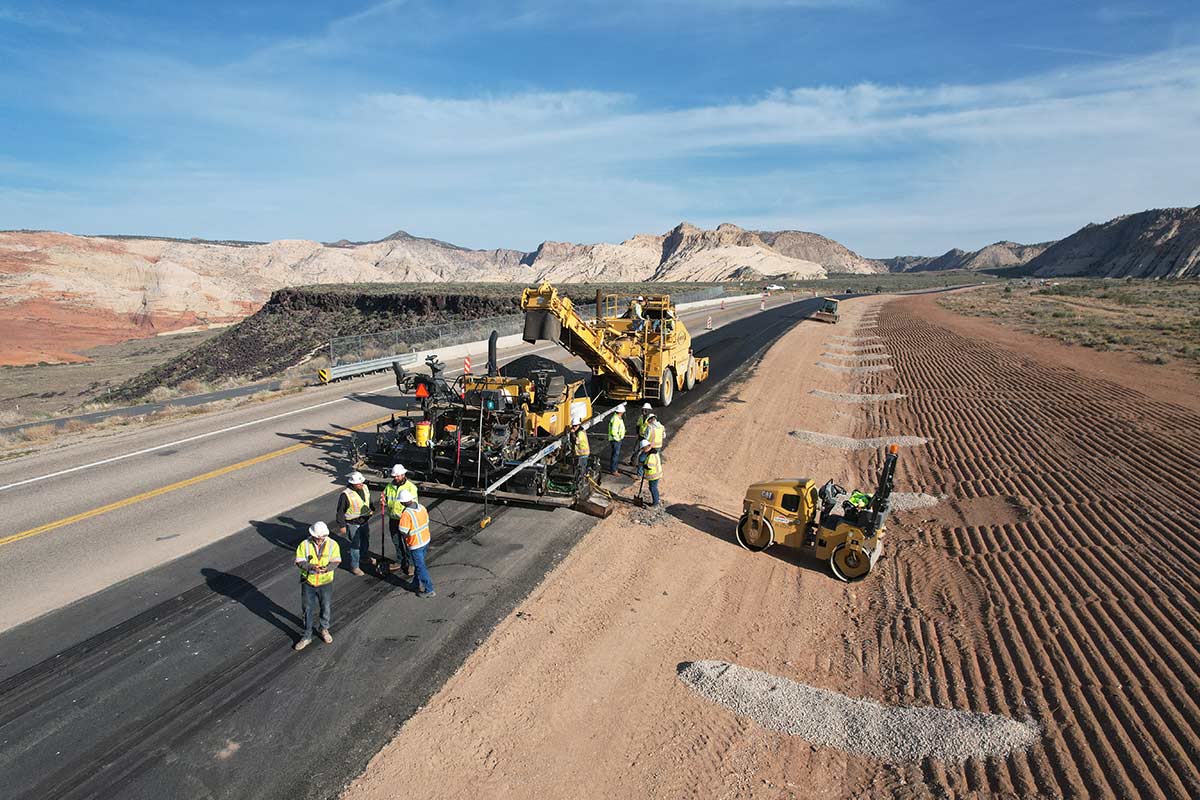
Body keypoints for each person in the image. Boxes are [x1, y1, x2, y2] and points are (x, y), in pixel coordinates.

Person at [294, 521, 341, 651]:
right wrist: (311, 567)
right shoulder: (304, 545)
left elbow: (336, 561)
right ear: (313, 535)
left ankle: (324, 629)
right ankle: (307, 635)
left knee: (325, 607)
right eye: (317, 538)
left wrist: (327, 568)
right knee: (307, 609)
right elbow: (299, 561)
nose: (320, 540)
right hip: (308, 582)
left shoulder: (333, 544)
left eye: (322, 537)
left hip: (325, 582)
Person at [395, 489, 435, 597]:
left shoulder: (406, 514)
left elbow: (403, 531)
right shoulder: (421, 507)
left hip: (415, 544)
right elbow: (426, 521)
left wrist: (406, 539)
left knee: (420, 567)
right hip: (425, 540)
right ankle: (416, 583)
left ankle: (429, 589)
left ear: (402, 502)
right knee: (419, 565)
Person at [383, 464, 419, 576]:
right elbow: (385, 497)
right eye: (394, 476)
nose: (396, 478)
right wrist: (383, 500)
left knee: (408, 542)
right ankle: (400, 560)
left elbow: (413, 505)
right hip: (393, 518)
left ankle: (411, 563)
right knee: (396, 541)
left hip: (405, 519)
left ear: (403, 475)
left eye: (398, 476)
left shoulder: (411, 487)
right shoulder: (389, 486)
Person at [337, 471, 373, 576]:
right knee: (355, 545)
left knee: (365, 540)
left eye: (362, 482)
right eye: (359, 483)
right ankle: (355, 566)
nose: (361, 484)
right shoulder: (346, 495)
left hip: (364, 521)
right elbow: (340, 511)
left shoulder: (365, 488)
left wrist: (372, 507)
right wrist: (342, 525)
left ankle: (364, 557)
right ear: (352, 483)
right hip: (353, 523)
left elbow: (368, 499)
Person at [636, 439, 663, 507]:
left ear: (645, 447)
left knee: (653, 488)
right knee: (653, 487)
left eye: (643, 449)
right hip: (656, 474)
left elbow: (650, 465)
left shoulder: (651, 455)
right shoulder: (652, 452)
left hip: (654, 475)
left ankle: (655, 503)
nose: (643, 450)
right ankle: (657, 500)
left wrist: (644, 465)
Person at [571, 414, 590, 482]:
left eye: (575, 426)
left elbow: (577, 442)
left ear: (578, 425)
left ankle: (582, 482)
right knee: (580, 469)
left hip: (583, 454)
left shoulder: (580, 433)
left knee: (581, 470)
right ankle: (580, 481)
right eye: (573, 426)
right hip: (581, 454)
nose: (574, 427)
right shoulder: (580, 431)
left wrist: (572, 433)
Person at [606, 405, 625, 475]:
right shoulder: (616, 419)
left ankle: (614, 468)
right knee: (615, 455)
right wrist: (618, 439)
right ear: (620, 412)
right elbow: (613, 432)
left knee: (615, 455)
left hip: (616, 439)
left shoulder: (617, 418)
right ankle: (614, 470)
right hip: (615, 440)